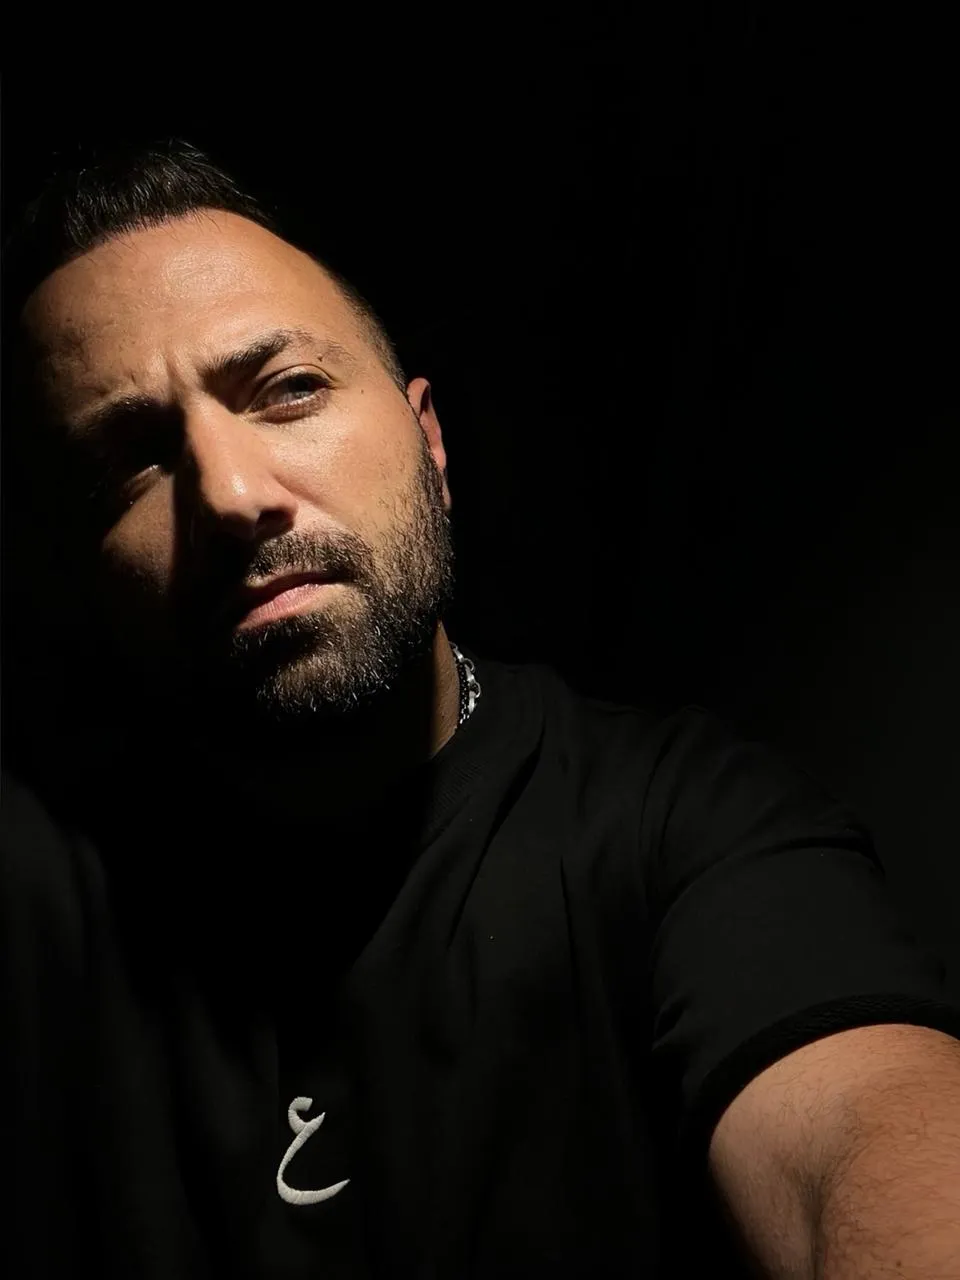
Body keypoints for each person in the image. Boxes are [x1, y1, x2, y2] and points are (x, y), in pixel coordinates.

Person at [2, 139, 960, 1280]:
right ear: (68, 571)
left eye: (289, 390)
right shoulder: (46, 891)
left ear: (431, 444)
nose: (233, 493)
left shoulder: (680, 826)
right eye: (131, 460)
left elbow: (871, 1130)